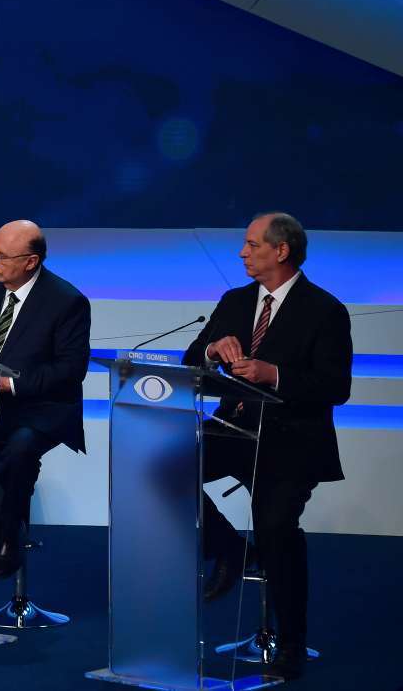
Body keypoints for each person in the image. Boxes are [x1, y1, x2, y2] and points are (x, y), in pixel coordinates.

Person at [183, 212, 350, 680]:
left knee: (275, 529)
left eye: (252, 244)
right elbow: (193, 358)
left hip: (288, 442)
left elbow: (336, 386)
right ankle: (230, 549)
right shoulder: (235, 301)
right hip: (232, 429)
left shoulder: (324, 309)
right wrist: (213, 350)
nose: (243, 253)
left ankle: (291, 643)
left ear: (281, 251)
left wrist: (272, 374)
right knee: (163, 468)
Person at [0, 220, 90, 579]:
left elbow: (70, 371)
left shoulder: (67, 301)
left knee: (20, 449)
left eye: (1, 256)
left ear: (31, 261)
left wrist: (10, 384)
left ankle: (3, 534)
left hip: (46, 409)